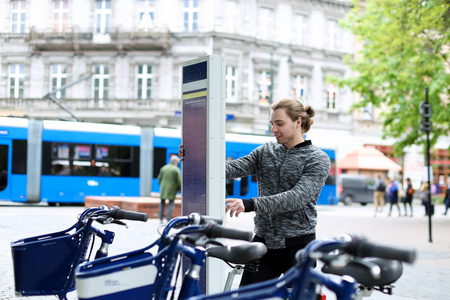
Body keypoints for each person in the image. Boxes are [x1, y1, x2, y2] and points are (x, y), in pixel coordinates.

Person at [181, 97, 331, 286]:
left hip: (298, 245)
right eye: (272, 124)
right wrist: (195, 157)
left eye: (279, 124)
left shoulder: (318, 159)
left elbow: (298, 197)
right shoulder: (265, 151)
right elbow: (229, 169)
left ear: (298, 122)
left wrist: (250, 204)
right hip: (263, 242)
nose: (273, 130)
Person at [157, 155, 182, 224]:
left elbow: (159, 178)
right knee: (171, 204)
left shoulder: (164, 168)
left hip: (163, 189)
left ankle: (161, 219)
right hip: (172, 189)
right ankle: (168, 220)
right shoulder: (176, 169)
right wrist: (179, 189)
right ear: (176, 162)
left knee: (162, 203)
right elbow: (179, 181)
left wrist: (161, 185)